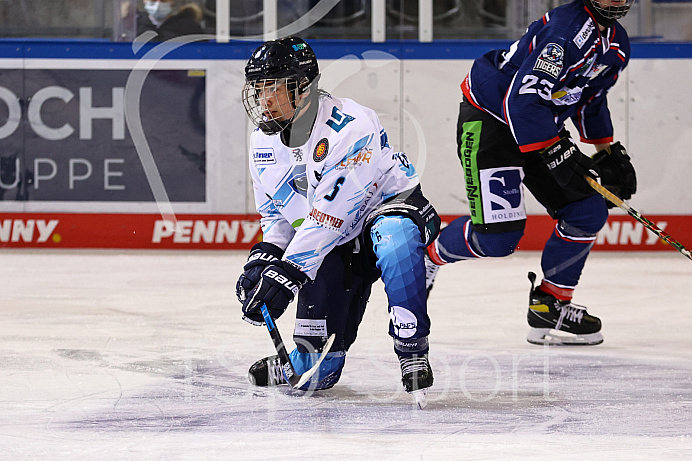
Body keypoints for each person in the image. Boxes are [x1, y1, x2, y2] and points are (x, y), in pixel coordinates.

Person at [237, 37, 440, 404]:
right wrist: (263, 258)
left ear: (303, 87)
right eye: (259, 89)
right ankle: (303, 358)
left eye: (273, 88)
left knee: (394, 237)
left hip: (387, 209)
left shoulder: (350, 126)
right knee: (316, 376)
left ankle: (412, 348)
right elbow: (278, 217)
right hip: (330, 239)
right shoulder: (260, 144)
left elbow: (332, 216)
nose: (263, 100)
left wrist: (285, 275)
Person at [425, 0, 637, 346]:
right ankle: (427, 255)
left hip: (539, 126)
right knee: (497, 239)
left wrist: (606, 151)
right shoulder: (566, 32)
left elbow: (590, 98)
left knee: (587, 210)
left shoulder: (616, 44)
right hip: (492, 123)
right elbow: (519, 100)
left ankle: (549, 305)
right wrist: (555, 149)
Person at [136, 0, 203, 41]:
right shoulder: (133, 25)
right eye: (153, 0)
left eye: (163, 1)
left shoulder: (189, 27)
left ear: (172, 2)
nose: (158, 4)